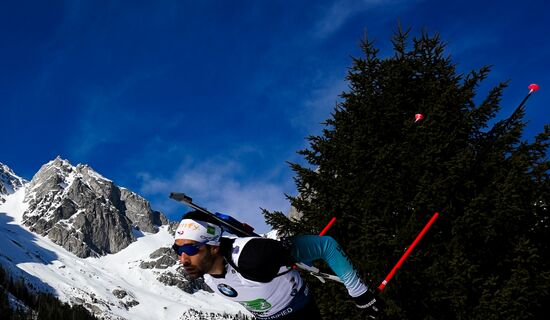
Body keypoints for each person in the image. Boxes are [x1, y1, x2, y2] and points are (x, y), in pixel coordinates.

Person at [172, 210, 382, 319]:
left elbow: (325, 246)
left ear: (214, 247)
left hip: (299, 312)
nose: (183, 258)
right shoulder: (203, 271)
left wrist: (359, 293)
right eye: (178, 250)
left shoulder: (253, 256)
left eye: (190, 249)